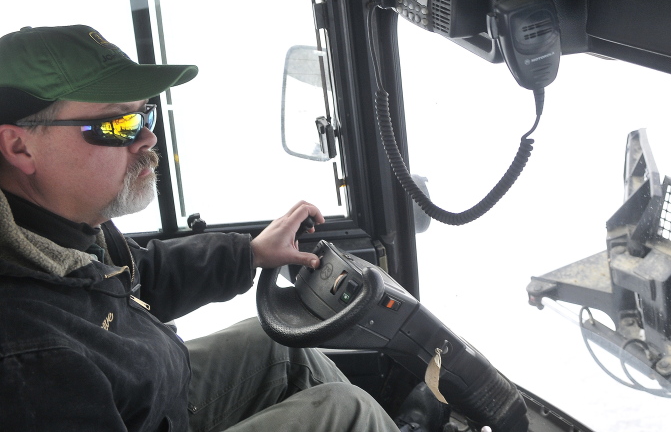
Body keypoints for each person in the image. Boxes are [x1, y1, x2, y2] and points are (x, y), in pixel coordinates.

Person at [0, 25, 398, 432]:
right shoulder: (28, 356)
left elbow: (141, 278)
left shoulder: (62, 228)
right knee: (347, 412)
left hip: (156, 395)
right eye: (117, 125)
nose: (148, 137)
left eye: (145, 114)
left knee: (280, 349)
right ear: (19, 146)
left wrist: (251, 252)